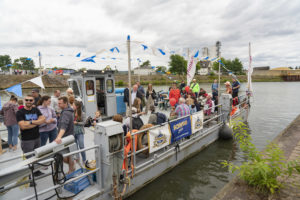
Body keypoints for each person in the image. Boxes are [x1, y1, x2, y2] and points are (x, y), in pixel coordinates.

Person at [54, 96, 75, 174]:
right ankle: (72, 167)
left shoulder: (66, 113)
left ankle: (72, 167)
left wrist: (58, 137)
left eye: (60, 103)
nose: (58, 105)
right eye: (58, 103)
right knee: (69, 155)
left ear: (66, 103)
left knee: (60, 155)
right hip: (70, 136)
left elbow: (64, 126)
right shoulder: (68, 110)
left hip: (66, 138)